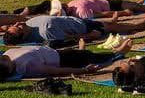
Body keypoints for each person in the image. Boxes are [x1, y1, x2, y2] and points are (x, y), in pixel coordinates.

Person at [1, 13, 145, 47]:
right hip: (82, 27)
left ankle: (132, 26)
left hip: (75, 21)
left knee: (107, 24)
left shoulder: (28, 23)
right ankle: (138, 26)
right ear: (23, 35)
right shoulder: (45, 31)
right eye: (18, 27)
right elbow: (68, 39)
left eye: (15, 25)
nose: (18, 23)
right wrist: (88, 35)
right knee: (109, 27)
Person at [0, 41, 133, 81]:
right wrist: (83, 70)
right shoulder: (27, 66)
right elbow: (56, 71)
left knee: (83, 53)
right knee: (91, 57)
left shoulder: (7, 54)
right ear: (9, 68)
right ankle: (118, 53)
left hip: (56, 53)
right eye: (3, 61)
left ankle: (82, 49)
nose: (3, 58)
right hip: (63, 60)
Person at [13, 0, 145, 18]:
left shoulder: (71, 4)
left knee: (134, 4)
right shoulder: (81, 13)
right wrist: (123, 13)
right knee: (138, 7)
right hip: (109, 4)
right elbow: (101, 14)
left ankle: (139, 3)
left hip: (103, 1)